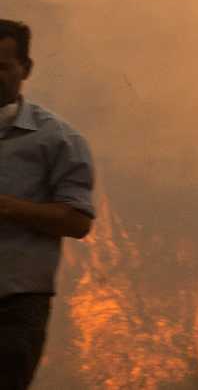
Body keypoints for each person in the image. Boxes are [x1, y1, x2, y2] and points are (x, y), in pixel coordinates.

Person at [0, 20, 95, 390]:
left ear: (26, 69)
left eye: (1, 66)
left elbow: (77, 221)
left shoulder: (57, 140)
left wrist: (7, 207)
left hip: (13, 308)